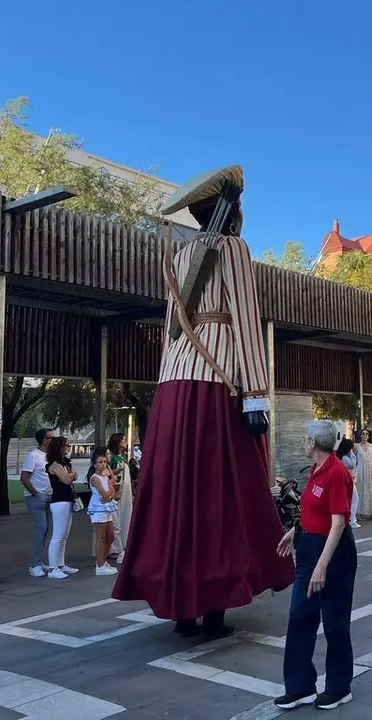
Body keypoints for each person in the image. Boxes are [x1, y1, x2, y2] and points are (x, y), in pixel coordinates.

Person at [113, 182, 293, 638]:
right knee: (220, 497)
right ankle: (213, 603)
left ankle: (183, 608)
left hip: (173, 385)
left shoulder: (177, 257)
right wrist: (256, 392)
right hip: (216, 381)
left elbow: (171, 328)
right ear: (230, 210)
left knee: (177, 496)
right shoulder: (232, 247)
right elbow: (248, 319)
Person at [275, 420, 357, 712]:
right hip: (309, 547)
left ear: (314, 443)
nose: (302, 441)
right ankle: (299, 687)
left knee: (334, 621)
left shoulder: (337, 473)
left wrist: (322, 566)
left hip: (333, 554)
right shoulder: (315, 470)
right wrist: (295, 532)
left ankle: (339, 686)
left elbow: (338, 523)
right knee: (300, 616)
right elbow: (313, 511)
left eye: (304, 438)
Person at [20, 428, 53, 577]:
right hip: (36, 496)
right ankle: (34, 564)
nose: (52, 440)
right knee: (41, 528)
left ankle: (39, 561)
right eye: (50, 438)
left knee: (48, 529)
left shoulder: (51, 456)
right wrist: (35, 493)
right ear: (44, 440)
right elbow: (24, 477)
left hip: (49, 495)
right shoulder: (33, 456)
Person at [45, 436, 79, 579]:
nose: (68, 448)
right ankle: (53, 568)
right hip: (59, 501)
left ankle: (61, 563)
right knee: (58, 535)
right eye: (66, 445)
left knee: (64, 535)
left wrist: (70, 475)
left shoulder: (64, 463)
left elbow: (72, 476)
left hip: (67, 499)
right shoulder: (54, 465)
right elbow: (66, 479)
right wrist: (70, 475)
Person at [88, 448, 120, 576]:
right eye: (100, 462)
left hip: (107, 507)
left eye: (104, 462)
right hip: (99, 508)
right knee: (101, 537)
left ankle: (102, 559)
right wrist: (110, 494)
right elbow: (105, 493)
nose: (103, 464)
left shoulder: (105, 477)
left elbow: (112, 491)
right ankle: (100, 565)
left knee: (110, 535)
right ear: (95, 464)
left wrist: (110, 494)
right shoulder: (95, 478)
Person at [107, 433, 133, 564]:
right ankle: (114, 548)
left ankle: (124, 542)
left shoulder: (122, 456)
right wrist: (118, 470)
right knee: (116, 519)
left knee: (125, 516)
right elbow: (108, 473)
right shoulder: (111, 457)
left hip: (126, 490)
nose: (125, 442)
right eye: (123, 440)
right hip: (117, 490)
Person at [355, 431, 372, 520]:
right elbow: (355, 458)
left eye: (366, 434)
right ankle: (359, 512)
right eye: (363, 434)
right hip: (360, 468)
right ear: (360, 435)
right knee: (360, 489)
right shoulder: (356, 446)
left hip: (369, 469)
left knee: (371, 489)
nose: (365, 435)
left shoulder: (371, 446)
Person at [337, 439, 360, 529]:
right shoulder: (345, 458)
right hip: (348, 481)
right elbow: (352, 465)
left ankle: (350, 518)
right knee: (355, 499)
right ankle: (352, 520)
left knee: (350, 499)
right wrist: (352, 454)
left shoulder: (343, 456)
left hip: (348, 480)